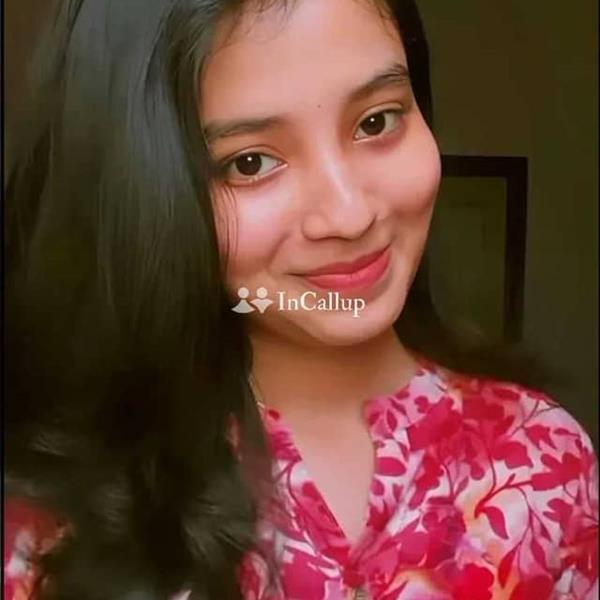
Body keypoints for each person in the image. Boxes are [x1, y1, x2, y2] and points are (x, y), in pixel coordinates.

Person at [4, 0, 598, 598]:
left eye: (376, 121)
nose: (349, 214)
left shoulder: (544, 458)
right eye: (250, 162)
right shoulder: (52, 510)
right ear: (144, 193)